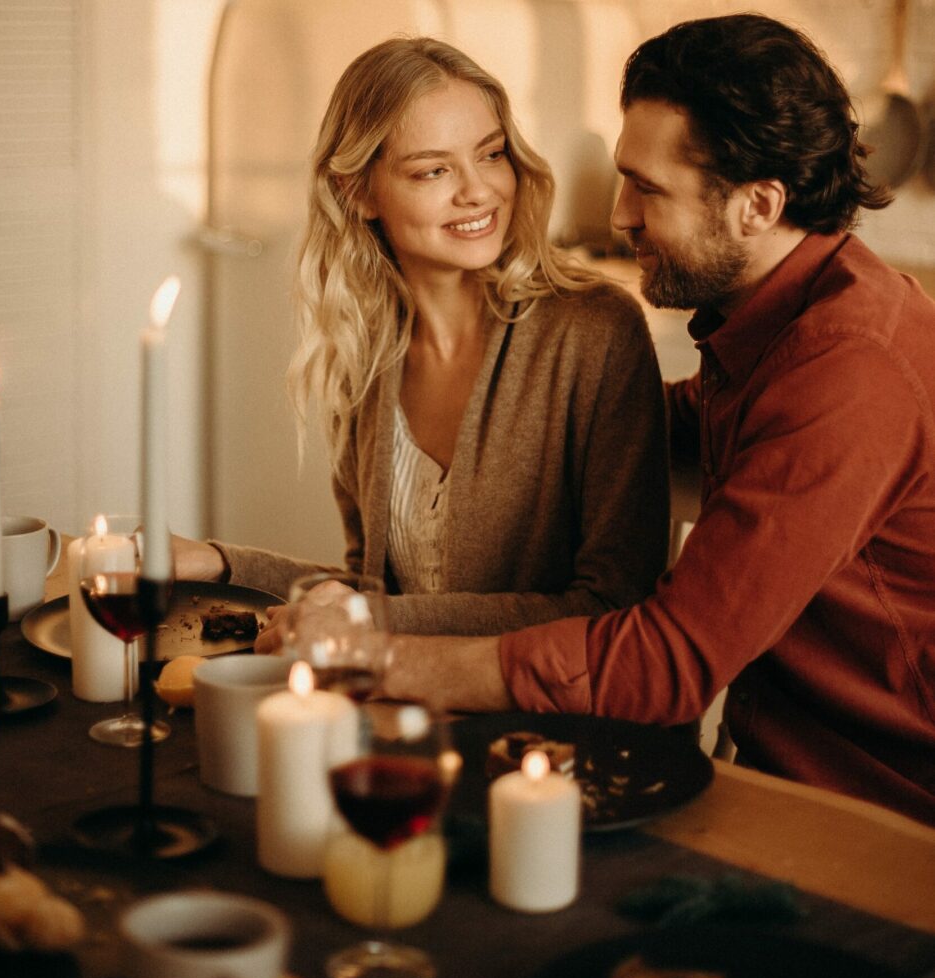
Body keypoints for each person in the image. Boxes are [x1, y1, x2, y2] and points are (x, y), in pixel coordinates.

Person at [380, 14, 935, 825]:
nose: (620, 216)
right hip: (778, 769)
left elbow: (669, 661)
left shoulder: (848, 368)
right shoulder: (775, 314)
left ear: (757, 205)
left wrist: (389, 663)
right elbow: (665, 427)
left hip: (884, 812)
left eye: (649, 188)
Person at [175, 37, 669, 640]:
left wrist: (365, 617)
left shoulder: (594, 332)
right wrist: (219, 564)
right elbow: (373, 593)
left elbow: (612, 607)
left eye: (490, 155)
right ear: (358, 192)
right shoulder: (364, 354)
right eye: (434, 169)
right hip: (408, 706)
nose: (479, 191)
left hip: (545, 727)